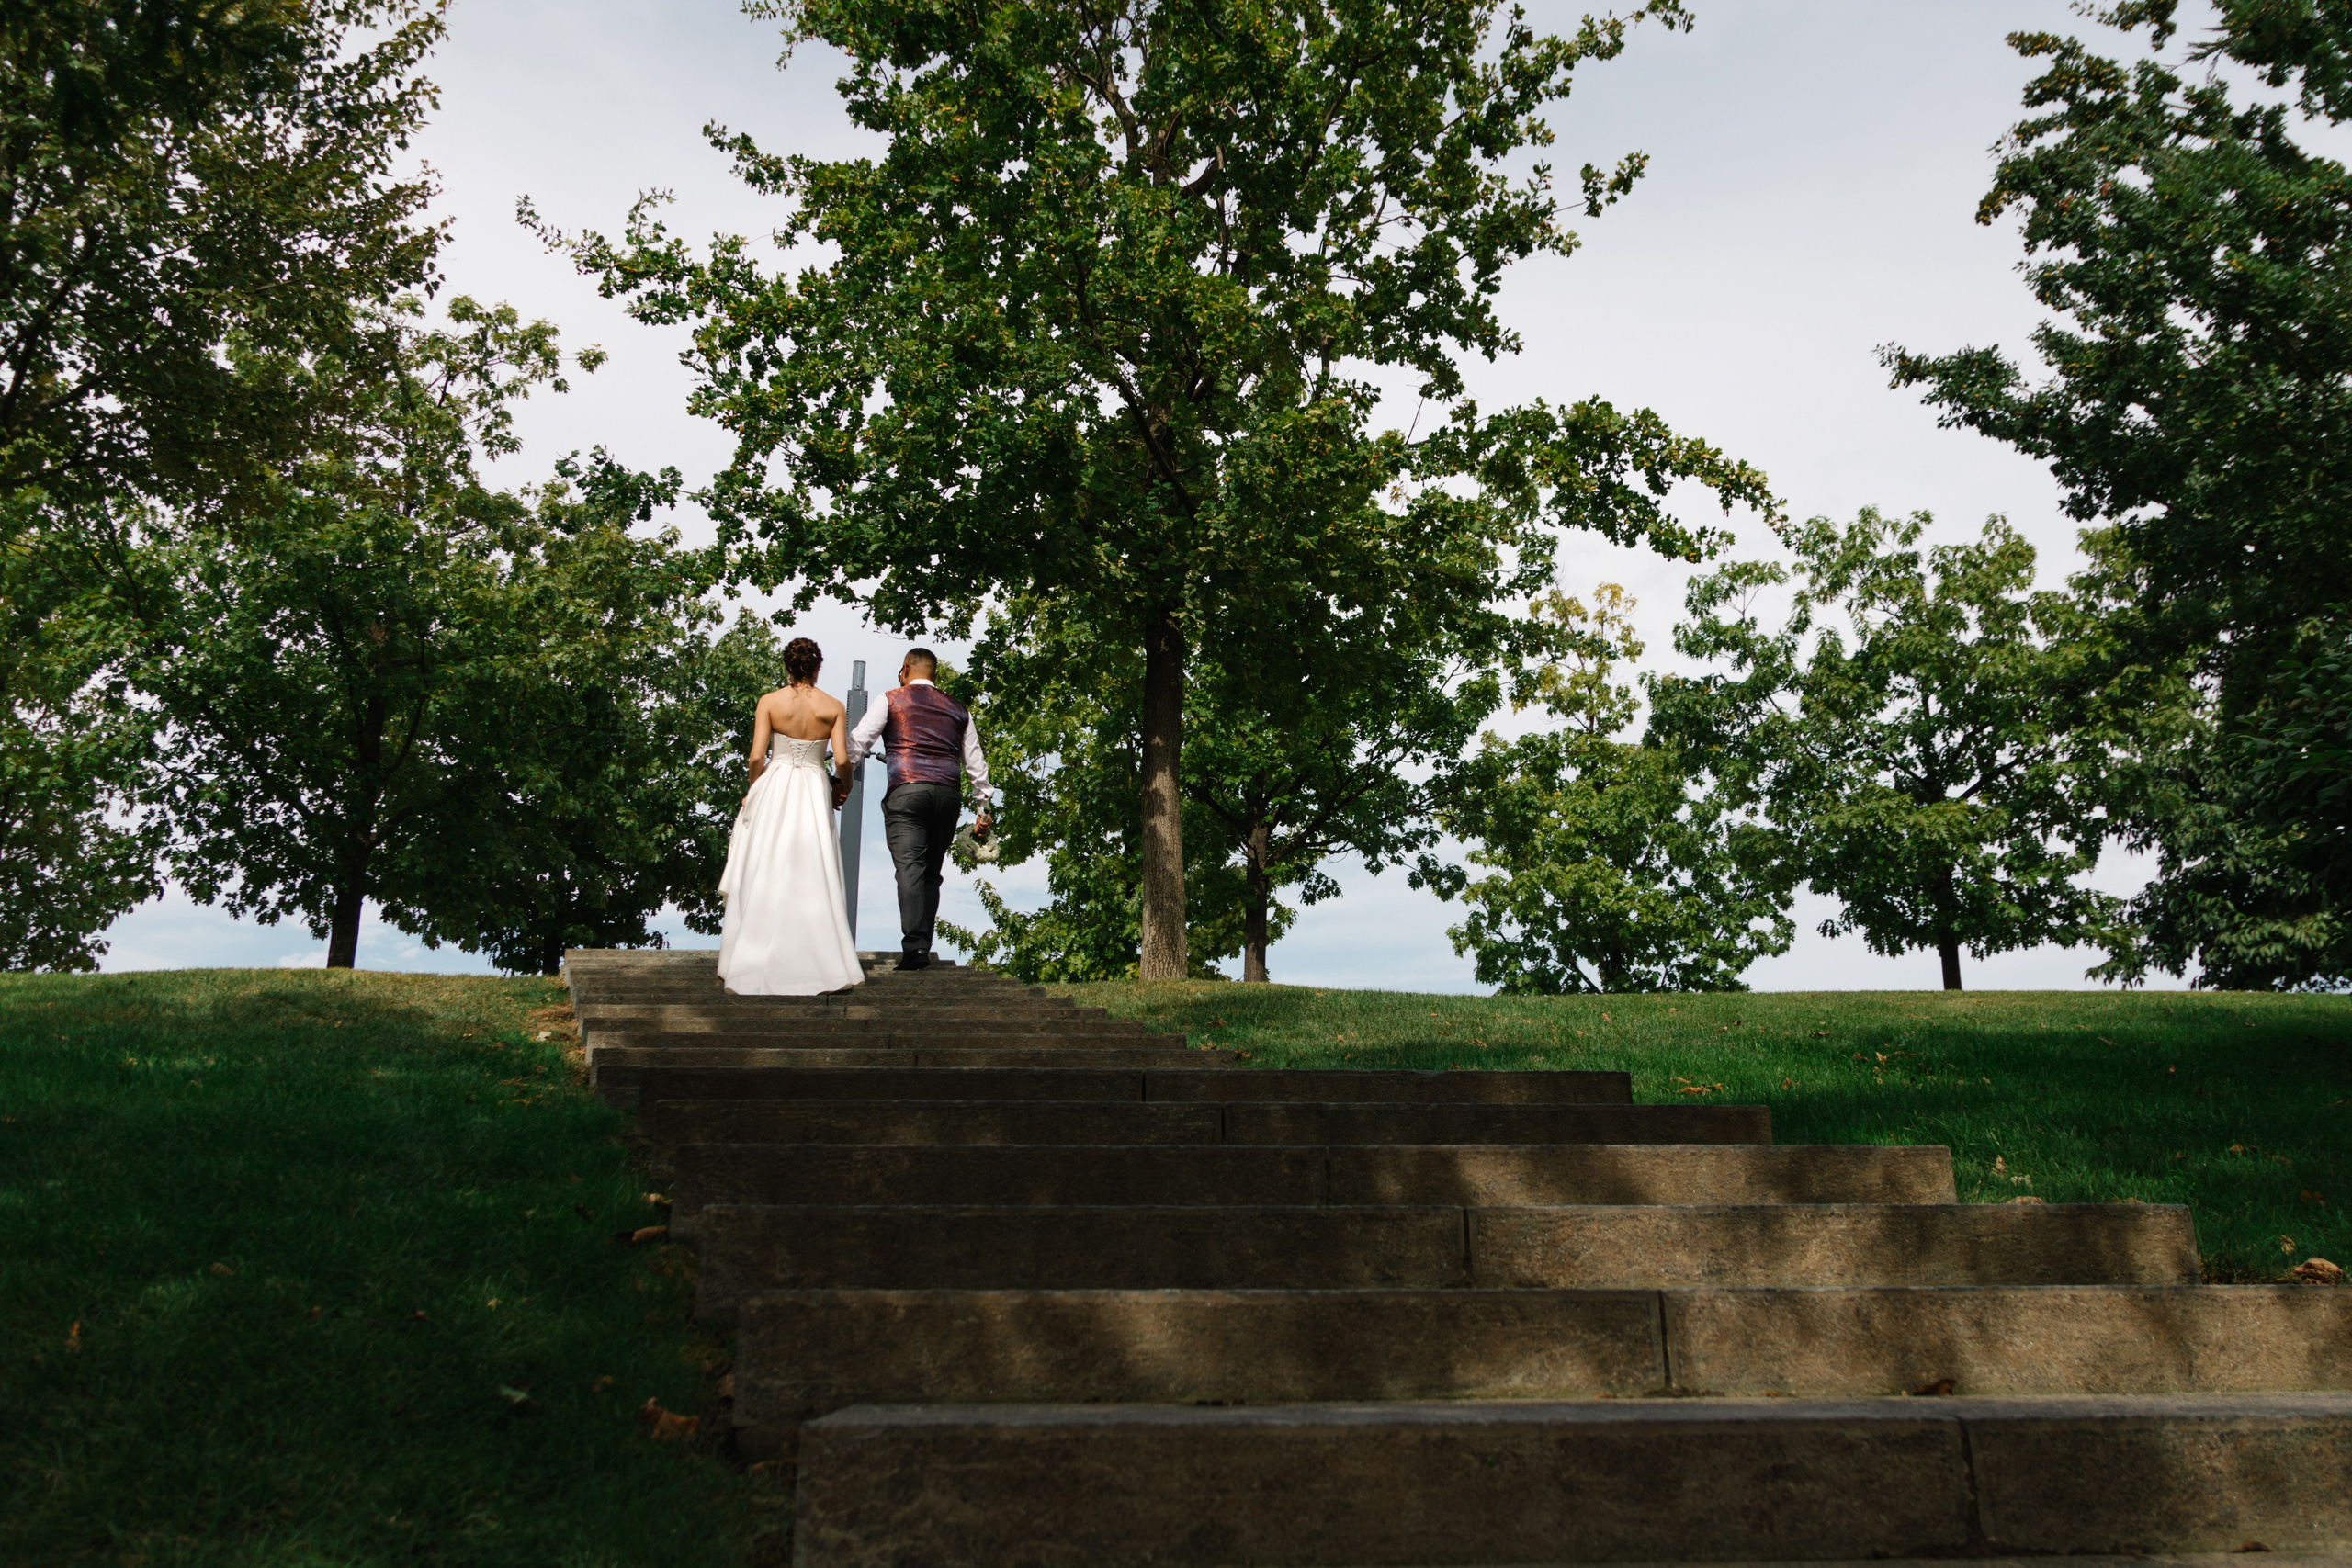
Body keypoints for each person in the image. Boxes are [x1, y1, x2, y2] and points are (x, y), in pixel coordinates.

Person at [715, 637, 865, 995]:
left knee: (765, 863)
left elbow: (755, 757)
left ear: (787, 667)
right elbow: (842, 760)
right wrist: (843, 789)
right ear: (817, 667)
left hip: (776, 783)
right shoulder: (832, 707)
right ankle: (820, 957)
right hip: (813, 787)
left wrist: (754, 790)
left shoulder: (769, 702)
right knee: (812, 866)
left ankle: (748, 952)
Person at [846, 647, 993, 970]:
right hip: (947, 796)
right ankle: (923, 947)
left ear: (905, 668)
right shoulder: (958, 709)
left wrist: (841, 777)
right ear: (935, 675)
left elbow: (858, 742)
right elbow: (975, 764)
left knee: (910, 869)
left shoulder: (891, 698)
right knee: (931, 873)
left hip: (908, 792)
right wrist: (982, 810)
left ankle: (914, 949)